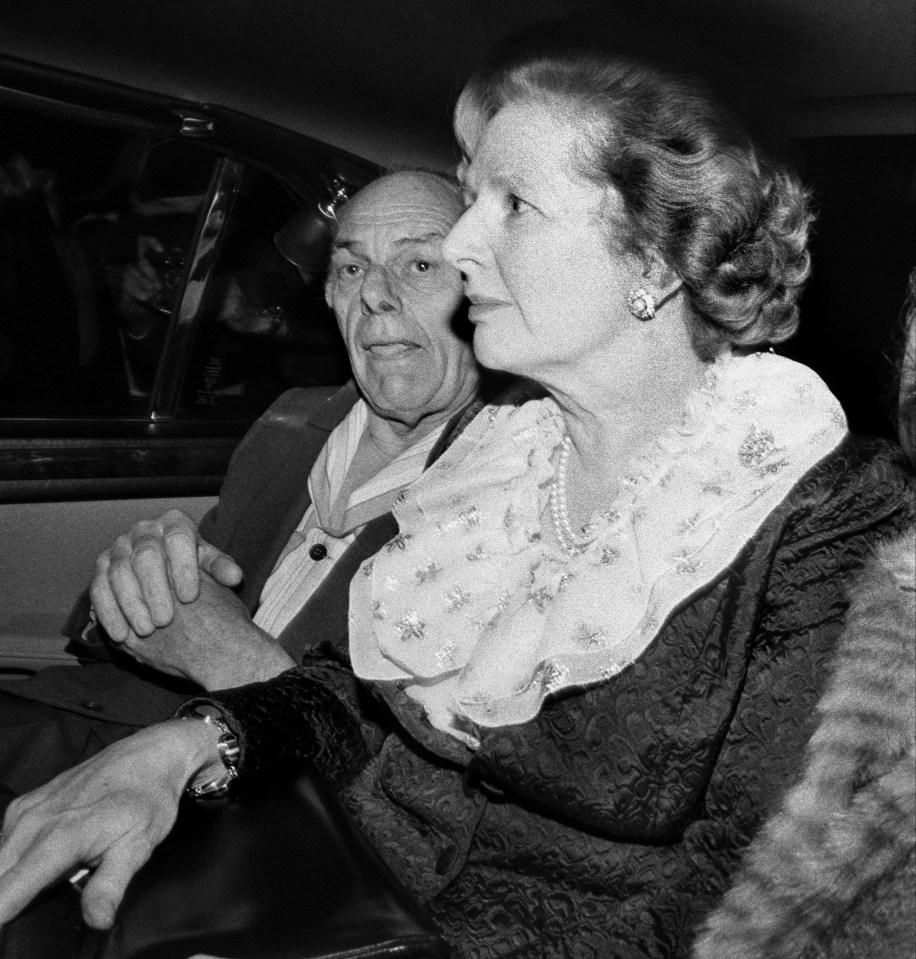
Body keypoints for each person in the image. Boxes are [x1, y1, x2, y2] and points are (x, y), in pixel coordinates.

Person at [1, 47, 914, 958]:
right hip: (349, 885)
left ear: (654, 257)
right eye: (471, 198)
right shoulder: (501, 456)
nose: (466, 243)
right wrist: (186, 745)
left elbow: (755, 888)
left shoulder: (822, 507)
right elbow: (369, 701)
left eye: (511, 206)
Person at [0, 168, 482, 796]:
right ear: (331, 297)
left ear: (485, 290)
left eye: (420, 265)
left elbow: (431, 791)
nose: (377, 297)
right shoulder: (289, 422)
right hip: (87, 728)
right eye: (352, 269)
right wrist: (134, 581)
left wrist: (233, 662)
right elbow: (143, 629)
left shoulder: (509, 490)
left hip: (263, 814)